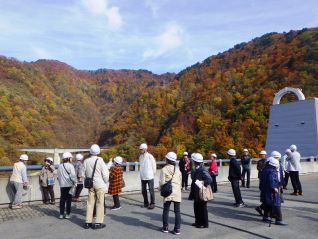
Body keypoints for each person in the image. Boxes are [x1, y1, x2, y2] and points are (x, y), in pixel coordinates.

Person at [83, 144, 109, 229]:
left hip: (90, 185)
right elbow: (105, 174)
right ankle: (98, 223)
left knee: (90, 203)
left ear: (90, 151)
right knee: (100, 203)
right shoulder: (100, 160)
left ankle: (88, 222)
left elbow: (84, 173)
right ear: (98, 152)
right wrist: (105, 181)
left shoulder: (86, 161)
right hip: (99, 184)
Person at [259, 157, 288, 226]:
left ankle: (266, 216)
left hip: (265, 189)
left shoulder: (264, 170)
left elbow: (262, 180)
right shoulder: (272, 171)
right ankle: (278, 219)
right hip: (271, 190)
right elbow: (271, 180)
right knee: (276, 204)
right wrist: (274, 187)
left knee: (267, 202)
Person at [159, 152, 182, 235]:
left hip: (168, 192)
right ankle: (177, 229)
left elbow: (161, 182)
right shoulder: (178, 169)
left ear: (167, 160)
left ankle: (165, 227)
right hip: (177, 192)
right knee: (177, 211)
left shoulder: (164, 169)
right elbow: (180, 181)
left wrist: (160, 190)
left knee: (166, 210)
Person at [189, 153, 212, 228]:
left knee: (202, 208)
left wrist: (202, 182)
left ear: (196, 161)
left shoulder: (202, 169)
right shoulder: (197, 168)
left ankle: (204, 223)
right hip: (197, 192)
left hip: (201, 192)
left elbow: (209, 179)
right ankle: (198, 222)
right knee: (196, 207)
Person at [57, 152, 76, 219]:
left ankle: (61, 214)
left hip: (62, 185)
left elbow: (58, 176)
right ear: (68, 158)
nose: (71, 159)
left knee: (62, 200)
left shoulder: (60, 166)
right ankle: (68, 214)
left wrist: (60, 183)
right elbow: (73, 176)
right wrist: (75, 182)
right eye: (71, 158)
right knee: (68, 200)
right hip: (69, 185)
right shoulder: (70, 166)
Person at [139, 143, 156, 209]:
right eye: (140, 149)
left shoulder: (150, 156)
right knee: (143, 190)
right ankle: (146, 203)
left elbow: (154, 166)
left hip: (149, 176)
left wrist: (152, 174)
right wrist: (141, 174)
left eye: (141, 149)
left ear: (145, 149)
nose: (140, 150)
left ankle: (152, 203)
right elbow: (141, 166)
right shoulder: (140, 157)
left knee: (151, 190)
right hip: (143, 176)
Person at [255, 150, 267, 216]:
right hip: (261, 177)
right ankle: (263, 203)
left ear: (265, 155)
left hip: (265, 176)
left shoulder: (267, 161)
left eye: (263, 155)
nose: (262, 156)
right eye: (261, 155)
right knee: (262, 189)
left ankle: (263, 205)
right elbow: (258, 168)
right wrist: (261, 170)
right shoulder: (259, 161)